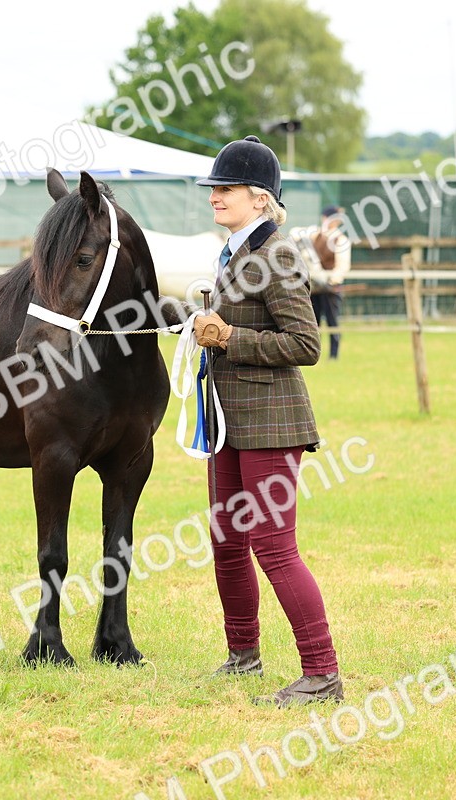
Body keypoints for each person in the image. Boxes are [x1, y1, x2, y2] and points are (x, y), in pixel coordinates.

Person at [193, 135, 342, 708]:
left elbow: (305, 344)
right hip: (229, 420)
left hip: (273, 422)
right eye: (215, 189)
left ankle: (323, 672)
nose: (216, 197)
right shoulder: (232, 253)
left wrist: (230, 337)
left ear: (260, 199)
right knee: (226, 541)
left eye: (225, 189)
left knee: (274, 547)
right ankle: (243, 655)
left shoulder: (277, 254)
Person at [296, 205, 351, 360]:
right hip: (314, 287)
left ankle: (334, 355)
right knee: (313, 322)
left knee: (333, 321)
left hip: (331, 287)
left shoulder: (341, 240)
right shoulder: (315, 235)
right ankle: (314, 353)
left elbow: (342, 266)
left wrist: (332, 281)